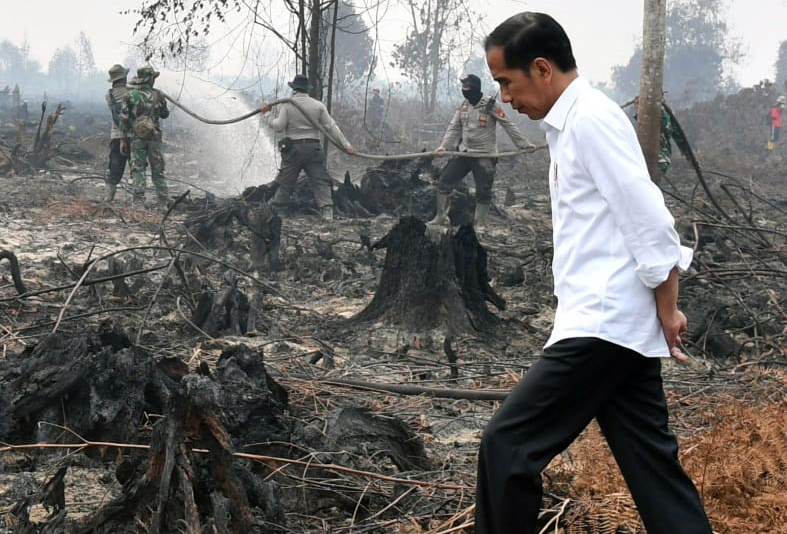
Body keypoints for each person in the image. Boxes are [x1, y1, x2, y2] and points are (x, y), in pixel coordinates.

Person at [478, 12, 713, 534]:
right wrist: (657, 312)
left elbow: (651, 223)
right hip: (618, 324)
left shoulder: (591, 121)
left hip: (602, 324)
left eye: (506, 83)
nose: (505, 99)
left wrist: (668, 308)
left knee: (507, 445)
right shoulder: (570, 123)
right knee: (654, 470)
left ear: (541, 68)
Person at [431, 74, 532, 229]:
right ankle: (441, 218)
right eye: (463, 88)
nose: (464, 91)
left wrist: (523, 144)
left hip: (485, 155)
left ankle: (479, 224)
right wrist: (444, 146)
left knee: (483, 191)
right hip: (464, 153)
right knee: (445, 180)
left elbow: (508, 124)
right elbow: (454, 127)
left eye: (467, 88)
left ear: (476, 88)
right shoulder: (463, 104)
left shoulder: (490, 104)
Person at [259, 74, 355, 221]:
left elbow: (278, 126)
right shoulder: (318, 105)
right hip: (313, 148)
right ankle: (327, 211)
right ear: (307, 90)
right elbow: (331, 127)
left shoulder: (288, 105)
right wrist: (346, 145)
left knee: (286, 182)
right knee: (320, 180)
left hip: (293, 150)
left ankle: (276, 210)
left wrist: (266, 114)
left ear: (294, 89)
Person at [118, 66, 170, 207]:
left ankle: (139, 202)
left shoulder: (130, 95)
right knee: (158, 168)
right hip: (154, 138)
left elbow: (124, 119)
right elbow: (165, 114)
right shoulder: (159, 95)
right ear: (150, 79)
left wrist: (122, 140)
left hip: (137, 138)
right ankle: (163, 202)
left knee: (138, 169)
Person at [104, 64, 130, 202]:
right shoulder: (131, 92)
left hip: (116, 135)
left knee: (114, 166)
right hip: (132, 136)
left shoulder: (108, 95)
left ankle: (108, 198)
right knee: (136, 169)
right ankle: (135, 199)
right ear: (124, 78)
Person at [633, 95, 674, 175]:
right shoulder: (641, 121)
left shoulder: (661, 114)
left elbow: (668, 131)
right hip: (645, 161)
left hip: (660, 159)